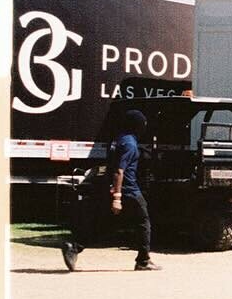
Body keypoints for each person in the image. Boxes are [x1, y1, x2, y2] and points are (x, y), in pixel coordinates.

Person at [62, 109, 161, 272]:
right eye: (143, 123)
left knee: (107, 224)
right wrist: (117, 197)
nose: (144, 127)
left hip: (116, 188)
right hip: (128, 190)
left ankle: (74, 247)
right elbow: (119, 171)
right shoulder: (129, 144)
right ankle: (143, 261)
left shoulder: (119, 139)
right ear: (136, 125)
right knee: (144, 222)